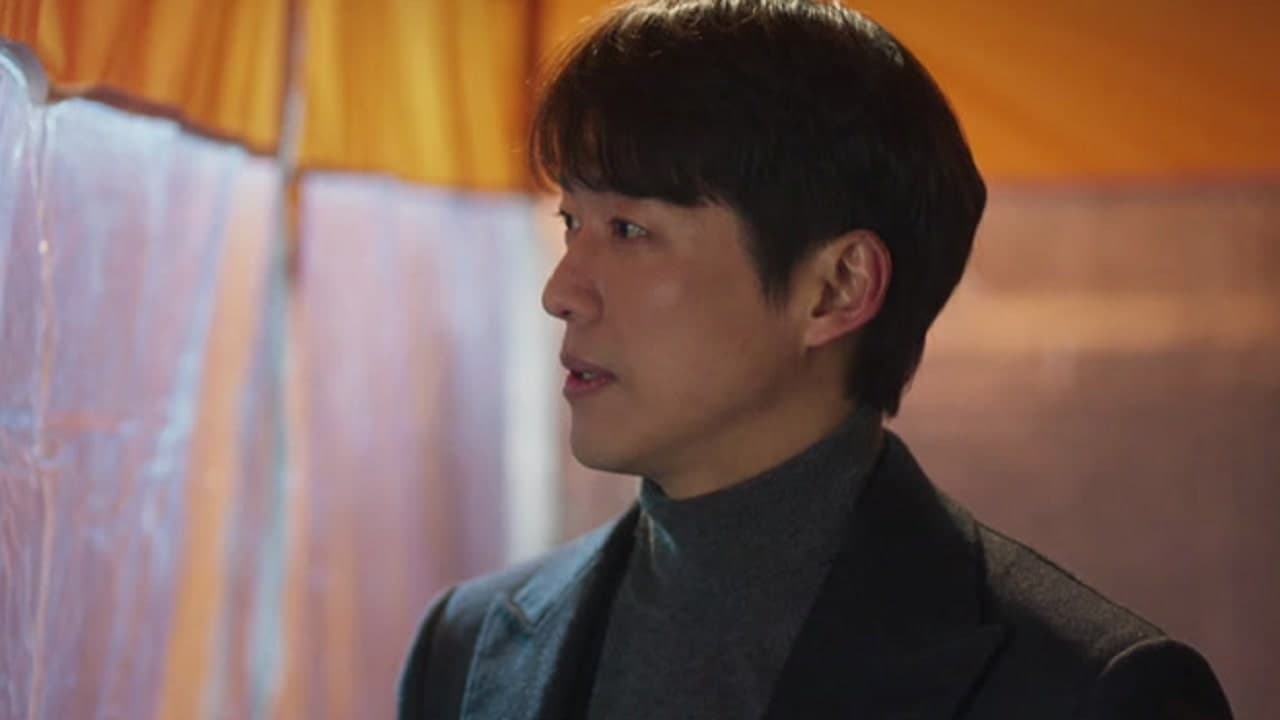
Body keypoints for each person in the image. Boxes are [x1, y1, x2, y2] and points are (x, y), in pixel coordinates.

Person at [398, 1, 1234, 717]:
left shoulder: (1090, 691)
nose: (561, 291)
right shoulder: (465, 646)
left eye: (629, 229)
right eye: (569, 223)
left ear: (837, 287)